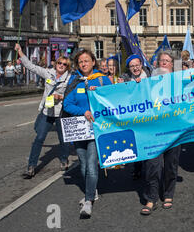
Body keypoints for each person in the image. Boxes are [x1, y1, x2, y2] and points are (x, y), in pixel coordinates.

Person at [63, 49, 111, 218]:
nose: (83, 64)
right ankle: (93, 190)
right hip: (78, 129)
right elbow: (67, 104)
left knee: (91, 164)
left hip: (96, 128)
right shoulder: (75, 81)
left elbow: (112, 100)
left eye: (86, 61)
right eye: (80, 62)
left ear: (93, 62)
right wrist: (83, 111)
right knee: (83, 165)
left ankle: (88, 200)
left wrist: (96, 93)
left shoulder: (102, 79)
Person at [15, 43, 72, 179]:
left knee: (63, 139)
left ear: (67, 67)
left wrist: (61, 96)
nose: (61, 65)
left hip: (60, 112)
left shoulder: (70, 78)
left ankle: (64, 159)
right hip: (47, 111)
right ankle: (31, 166)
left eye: (64, 64)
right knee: (39, 138)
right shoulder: (48, 73)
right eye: (59, 63)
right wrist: (20, 52)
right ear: (56, 63)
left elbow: (73, 94)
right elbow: (31, 66)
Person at [141, 50, 181, 215]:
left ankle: (168, 193)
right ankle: (151, 198)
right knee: (152, 165)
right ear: (156, 64)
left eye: (167, 61)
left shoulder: (180, 82)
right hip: (154, 131)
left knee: (171, 164)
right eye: (161, 60)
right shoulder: (148, 82)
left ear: (172, 64)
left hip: (174, 130)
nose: (164, 63)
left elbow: (192, 104)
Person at [118, 54, 151, 179]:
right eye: (132, 66)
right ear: (129, 68)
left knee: (148, 142)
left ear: (141, 65)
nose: (135, 68)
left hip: (150, 116)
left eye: (137, 65)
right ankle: (137, 168)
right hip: (134, 117)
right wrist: (119, 86)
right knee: (136, 143)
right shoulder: (126, 78)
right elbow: (118, 96)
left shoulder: (151, 75)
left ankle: (150, 169)